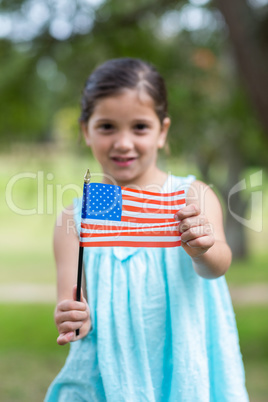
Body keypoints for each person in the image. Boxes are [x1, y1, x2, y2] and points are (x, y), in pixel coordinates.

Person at [45, 58, 248, 401]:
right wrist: (73, 315)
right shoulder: (76, 218)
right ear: (85, 130)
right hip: (110, 371)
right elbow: (72, 298)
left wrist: (205, 250)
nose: (123, 143)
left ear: (162, 131)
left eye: (139, 127)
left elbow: (218, 266)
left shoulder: (191, 195)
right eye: (107, 127)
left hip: (182, 357)